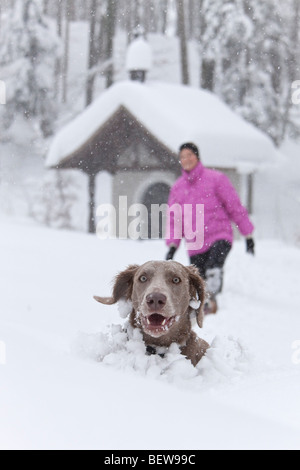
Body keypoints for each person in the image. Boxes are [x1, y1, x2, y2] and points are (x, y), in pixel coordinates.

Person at [165, 142, 255, 314]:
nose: (186, 159)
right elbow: (174, 219)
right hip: (195, 243)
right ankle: (204, 306)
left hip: (218, 235)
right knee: (199, 279)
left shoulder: (216, 179)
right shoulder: (177, 188)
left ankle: (214, 300)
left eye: (189, 155)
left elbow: (234, 206)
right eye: (182, 157)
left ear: (197, 157)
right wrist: (172, 246)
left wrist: (248, 235)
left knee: (214, 267)